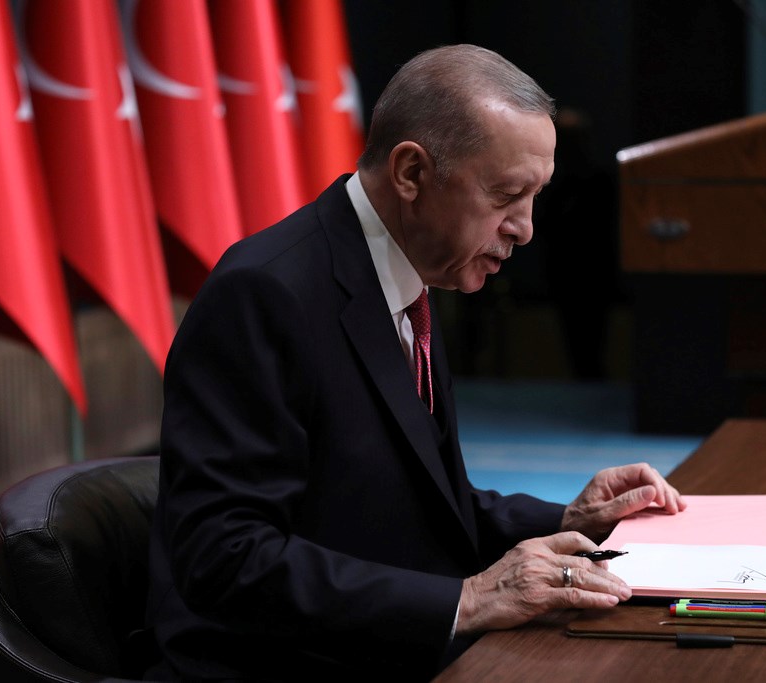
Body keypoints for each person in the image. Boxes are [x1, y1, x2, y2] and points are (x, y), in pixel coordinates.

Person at [145, 43, 686, 681]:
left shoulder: (409, 273)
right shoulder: (265, 294)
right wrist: (467, 599)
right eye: (507, 194)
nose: (526, 228)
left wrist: (568, 519)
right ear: (411, 174)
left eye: (536, 195)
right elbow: (224, 557)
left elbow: (408, 505)